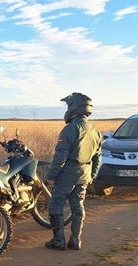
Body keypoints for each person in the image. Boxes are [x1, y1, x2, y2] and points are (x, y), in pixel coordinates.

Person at [45, 92, 102, 250]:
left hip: (68, 174)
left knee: (56, 205)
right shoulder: (95, 131)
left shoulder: (70, 129)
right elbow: (98, 157)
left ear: (74, 108)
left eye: (69, 105)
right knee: (78, 205)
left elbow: (60, 157)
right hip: (84, 174)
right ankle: (76, 240)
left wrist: (51, 175)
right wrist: (92, 175)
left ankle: (58, 240)